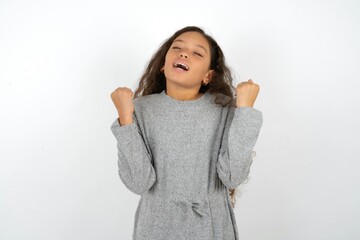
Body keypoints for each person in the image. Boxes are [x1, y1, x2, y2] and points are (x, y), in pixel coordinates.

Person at [110, 26, 263, 240]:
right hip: (156, 229)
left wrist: (245, 110)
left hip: (213, 228)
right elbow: (139, 182)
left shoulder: (225, 110)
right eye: (177, 48)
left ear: (208, 75)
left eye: (197, 53)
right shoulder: (139, 110)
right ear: (163, 65)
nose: (184, 54)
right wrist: (125, 120)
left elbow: (233, 176)